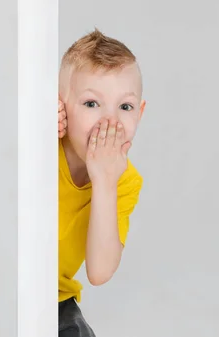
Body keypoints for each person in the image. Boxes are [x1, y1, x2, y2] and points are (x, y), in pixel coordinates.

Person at [56, 28, 146, 337]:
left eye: (125, 107)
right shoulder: (42, 143)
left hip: (54, 297)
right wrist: (31, 125)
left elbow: (99, 271)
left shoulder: (125, 180)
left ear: (141, 113)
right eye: (92, 104)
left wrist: (105, 182)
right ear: (61, 105)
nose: (110, 121)